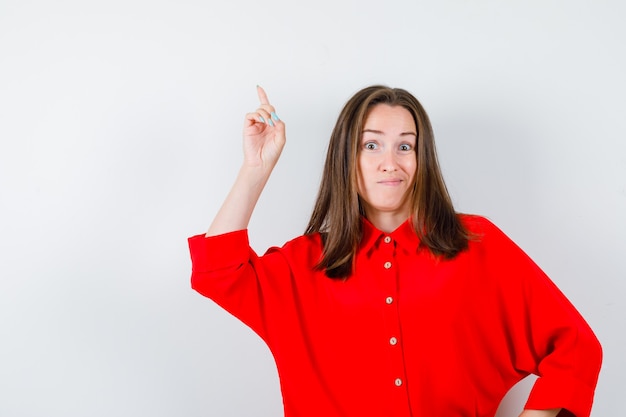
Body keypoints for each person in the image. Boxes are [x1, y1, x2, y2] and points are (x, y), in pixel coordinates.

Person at [188, 85, 602, 417]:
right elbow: (218, 273)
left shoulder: (476, 243)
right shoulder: (305, 263)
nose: (391, 162)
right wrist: (255, 169)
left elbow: (576, 347)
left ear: (422, 159)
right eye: (372, 146)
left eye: (405, 146)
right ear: (346, 157)